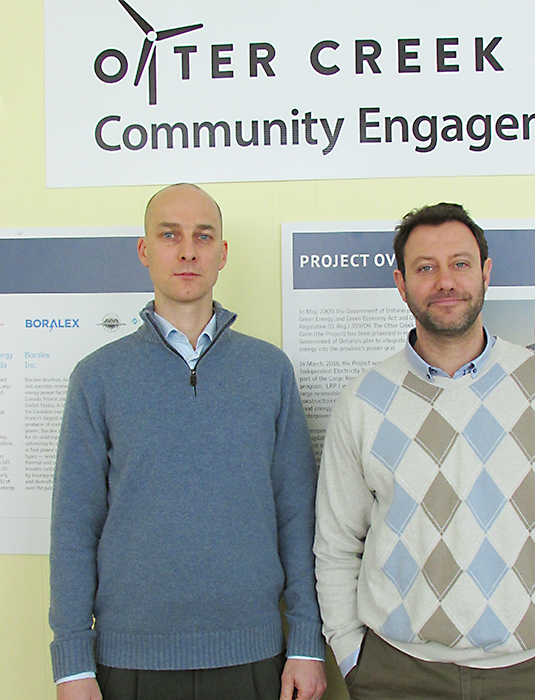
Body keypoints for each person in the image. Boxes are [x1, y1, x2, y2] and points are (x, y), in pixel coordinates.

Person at [314, 203, 535, 699]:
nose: (445, 281)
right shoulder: (363, 400)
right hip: (396, 674)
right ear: (401, 282)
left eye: (459, 263)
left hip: (534, 675)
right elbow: (336, 543)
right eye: (425, 268)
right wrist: (351, 654)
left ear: (485, 273)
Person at [49, 184, 326, 700]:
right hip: (127, 663)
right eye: (169, 234)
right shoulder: (98, 377)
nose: (187, 250)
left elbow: (297, 517)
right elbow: (73, 526)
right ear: (144, 250)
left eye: (203, 235)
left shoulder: (269, 371)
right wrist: (71, 663)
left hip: (254, 658)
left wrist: (306, 642)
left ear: (222, 252)